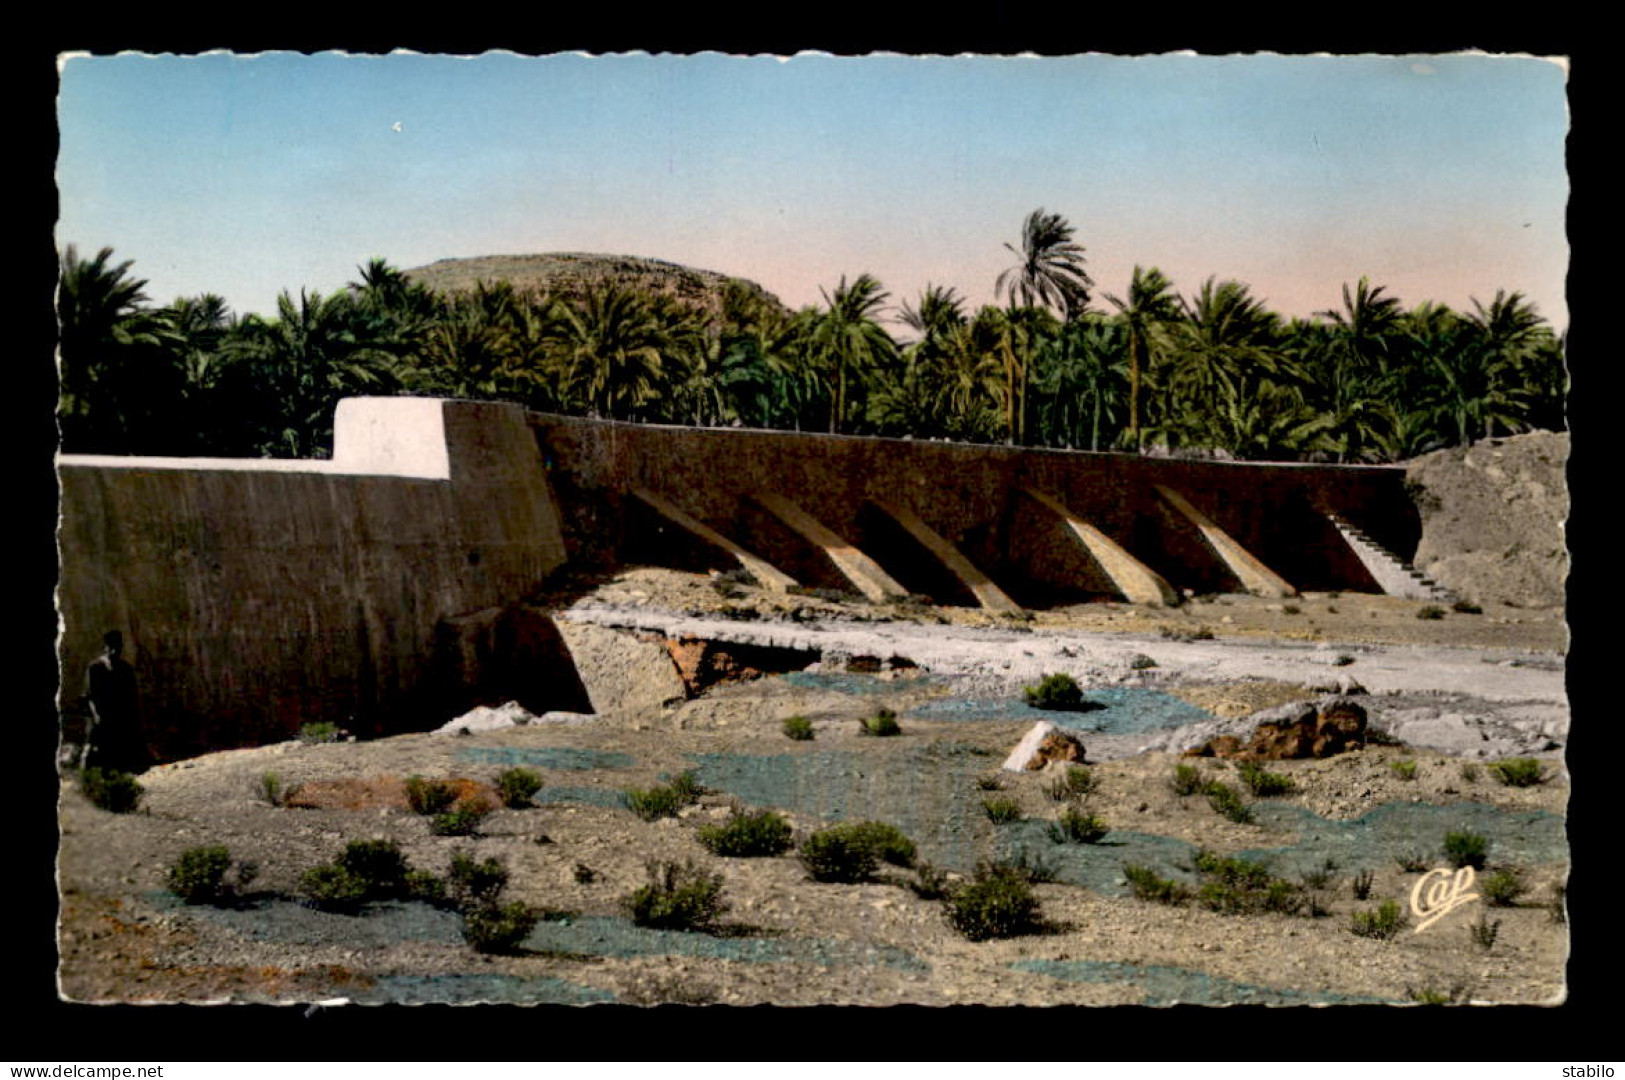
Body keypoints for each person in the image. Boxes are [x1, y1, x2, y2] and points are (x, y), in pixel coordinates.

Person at [82, 630, 144, 772]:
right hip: (102, 718)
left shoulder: (125, 669)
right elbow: (90, 695)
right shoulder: (95, 668)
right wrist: (97, 716)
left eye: (118, 646)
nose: (116, 650)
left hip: (120, 719)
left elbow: (132, 697)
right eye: (112, 646)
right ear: (105, 647)